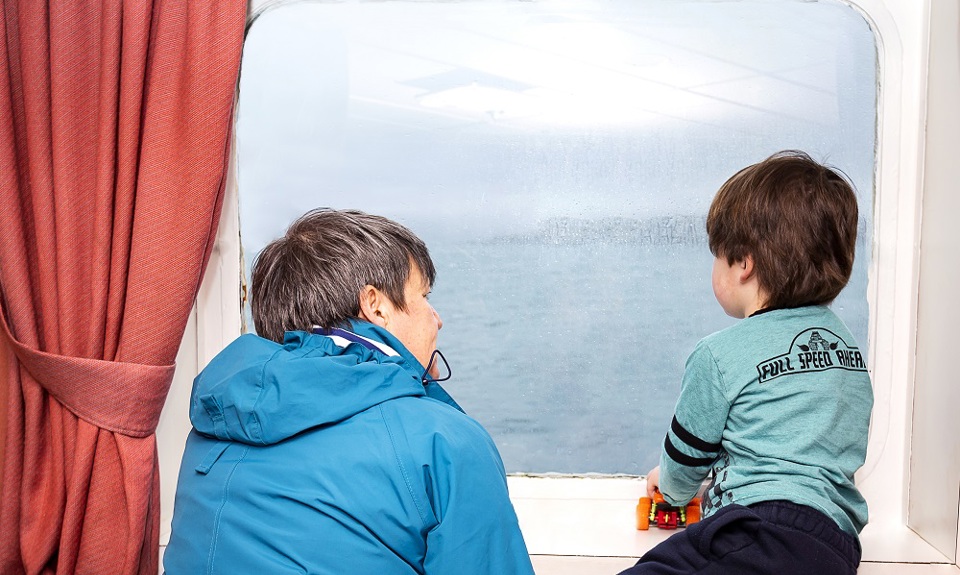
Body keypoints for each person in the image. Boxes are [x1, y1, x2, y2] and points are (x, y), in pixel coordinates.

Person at [164, 208, 534, 575]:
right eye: (424, 296)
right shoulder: (443, 442)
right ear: (376, 306)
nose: (436, 318)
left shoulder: (217, 420)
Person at [620, 151, 873, 575]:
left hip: (758, 530)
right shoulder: (846, 351)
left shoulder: (719, 354)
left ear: (743, 264)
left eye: (717, 254)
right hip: (836, 544)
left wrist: (669, 485)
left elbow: (685, 467)